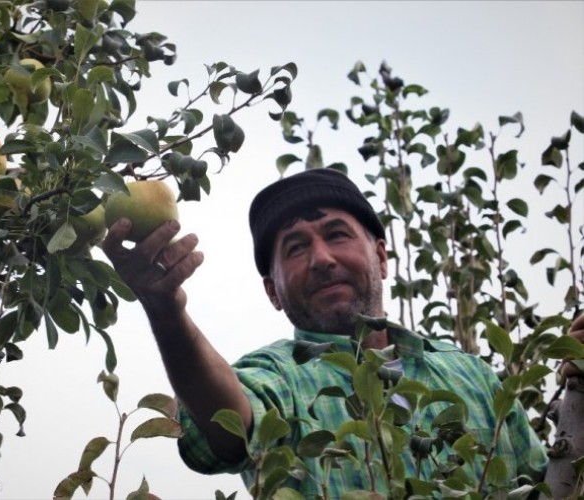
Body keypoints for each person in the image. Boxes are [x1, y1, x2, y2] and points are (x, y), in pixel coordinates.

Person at [102, 168, 583, 497]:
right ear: (273, 290)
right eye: (295, 247)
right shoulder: (279, 377)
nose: (322, 258)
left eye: (336, 234)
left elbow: (553, 486)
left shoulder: (474, 379)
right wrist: (166, 310)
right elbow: (227, 421)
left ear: (381, 256)